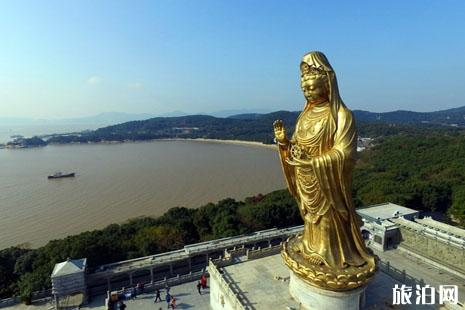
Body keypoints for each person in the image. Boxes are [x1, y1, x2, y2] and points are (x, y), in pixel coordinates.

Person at [273, 51, 375, 275]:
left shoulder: (341, 115)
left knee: (328, 218)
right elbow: (298, 148)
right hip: (306, 179)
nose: (308, 92)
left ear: (327, 84)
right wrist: (284, 143)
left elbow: (345, 153)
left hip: (327, 181)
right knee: (311, 220)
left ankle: (330, 253)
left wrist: (315, 162)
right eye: (304, 89)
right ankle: (310, 246)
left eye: (312, 87)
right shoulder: (304, 116)